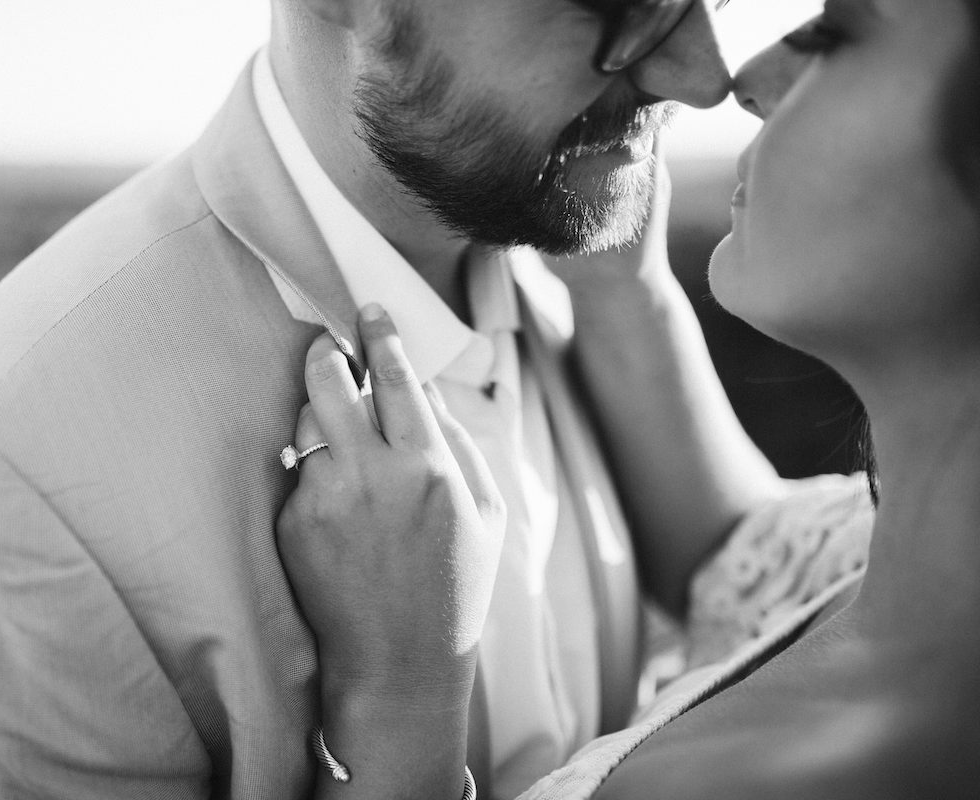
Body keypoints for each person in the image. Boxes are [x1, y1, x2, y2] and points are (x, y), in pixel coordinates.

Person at [0, 1, 863, 798]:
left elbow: (734, 557)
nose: (703, 72)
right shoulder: (4, 454)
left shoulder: (587, 275)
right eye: (621, 9)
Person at [277, 0, 980, 797]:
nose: (738, 80)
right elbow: (735, 559)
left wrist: (399, 700)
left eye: (830, 36)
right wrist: (623, 290)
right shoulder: (906, 569)